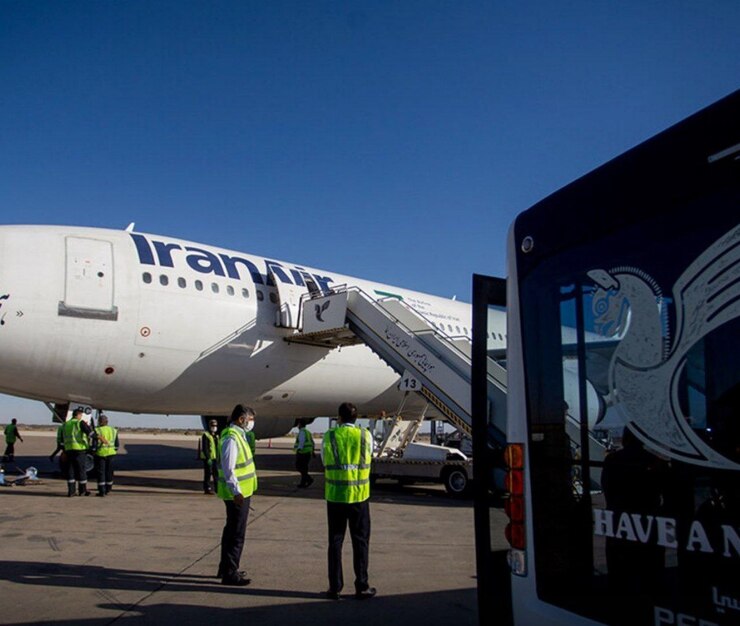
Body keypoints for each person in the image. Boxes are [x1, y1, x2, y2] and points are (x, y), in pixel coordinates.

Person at [322, 402, 376, 600]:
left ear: (339, 417)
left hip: (335, 495)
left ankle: (334, 587)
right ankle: (362, 586)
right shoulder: (365, 435)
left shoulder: (329, 436)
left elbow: (324, 461)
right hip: (359, 496)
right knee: (360, 542)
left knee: (335, 542)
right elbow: (369, 457)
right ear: (356, 418)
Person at [216, 404, 258, 586]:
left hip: (241, 493)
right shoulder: (232, 439)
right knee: (236, 534)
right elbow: (228, 467)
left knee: (231, 531)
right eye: (250, 420)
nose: (251, 423)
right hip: (237, 495)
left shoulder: (238, 436)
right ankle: (230, 574)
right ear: (241, 419)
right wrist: (236, 491)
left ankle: (226, 567)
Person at [62, 409, 93, 496]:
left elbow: (62, 438)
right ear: (78, 415)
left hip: (68, 450)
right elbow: (89, 433)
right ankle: (82, 491)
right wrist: (98, 437)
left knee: (70, 471)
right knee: (81, 470)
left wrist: (63, 450)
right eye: (81, 415)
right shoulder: (80, 423)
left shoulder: (66, 424)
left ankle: (71, 491)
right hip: (79, 450)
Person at [94, 414, 119, 497]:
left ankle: (102, 491)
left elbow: (94, 444)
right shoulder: (113, 430)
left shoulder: (97, 430)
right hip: (111, 453)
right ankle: (108, 488)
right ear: (107, 422)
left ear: (99, 422)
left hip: (101, 453)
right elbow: (117, 444)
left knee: (101, 472)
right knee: (109, 472)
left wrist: (93, 451)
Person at [200, 419, 220, 494]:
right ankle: (207, 488)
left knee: (216, 475)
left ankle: (217, 489)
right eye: (213, 425)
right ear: (209, 426)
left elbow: (217, 448)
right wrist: (208, 458)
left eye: (215, 425)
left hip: (215, 458)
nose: (214, 427)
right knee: (208, 474)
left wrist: (218, 457)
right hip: (208, 458)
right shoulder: (206, 435)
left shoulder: (216, 436)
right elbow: (205, 448)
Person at [293, 419, 315, 487]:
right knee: (304, 468)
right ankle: (303, 483)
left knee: (299, 467)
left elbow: (301, 442)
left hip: (303, 453)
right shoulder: (307, 432)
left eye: (298, 424)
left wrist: (299, 450)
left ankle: (308, 479)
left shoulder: (302, 432)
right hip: (308, 452)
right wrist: (313, 451)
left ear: (300, 425)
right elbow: (312, 442)